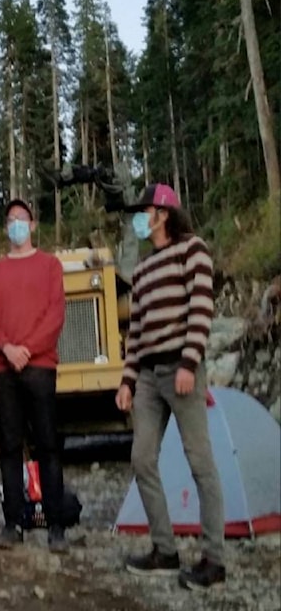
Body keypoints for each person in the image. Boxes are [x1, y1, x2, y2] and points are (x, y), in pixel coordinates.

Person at [115, 184, 224, 590]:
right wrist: (127, 380)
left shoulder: (193, 250)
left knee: (200, 462)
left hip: (182, 369)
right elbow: (136, 331)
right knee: (142, 458)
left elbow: (201, 306)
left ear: (162, 212)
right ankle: (165, 549)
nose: (138, 219)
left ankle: (214, 559)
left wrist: (189, 362)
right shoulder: (142, 271)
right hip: (147, 377)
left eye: (143, 211)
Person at [0, 199, 69, 555]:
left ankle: (56, 524)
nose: (16, 225)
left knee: (48, 445)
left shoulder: (50, 266)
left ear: (33, 226)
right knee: (9, 448)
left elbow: (55, 314)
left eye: (21, 220)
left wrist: (27, 350)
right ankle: (13, 522)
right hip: (4, 369)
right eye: (10, 220)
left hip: (39, 367)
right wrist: (7, 348)